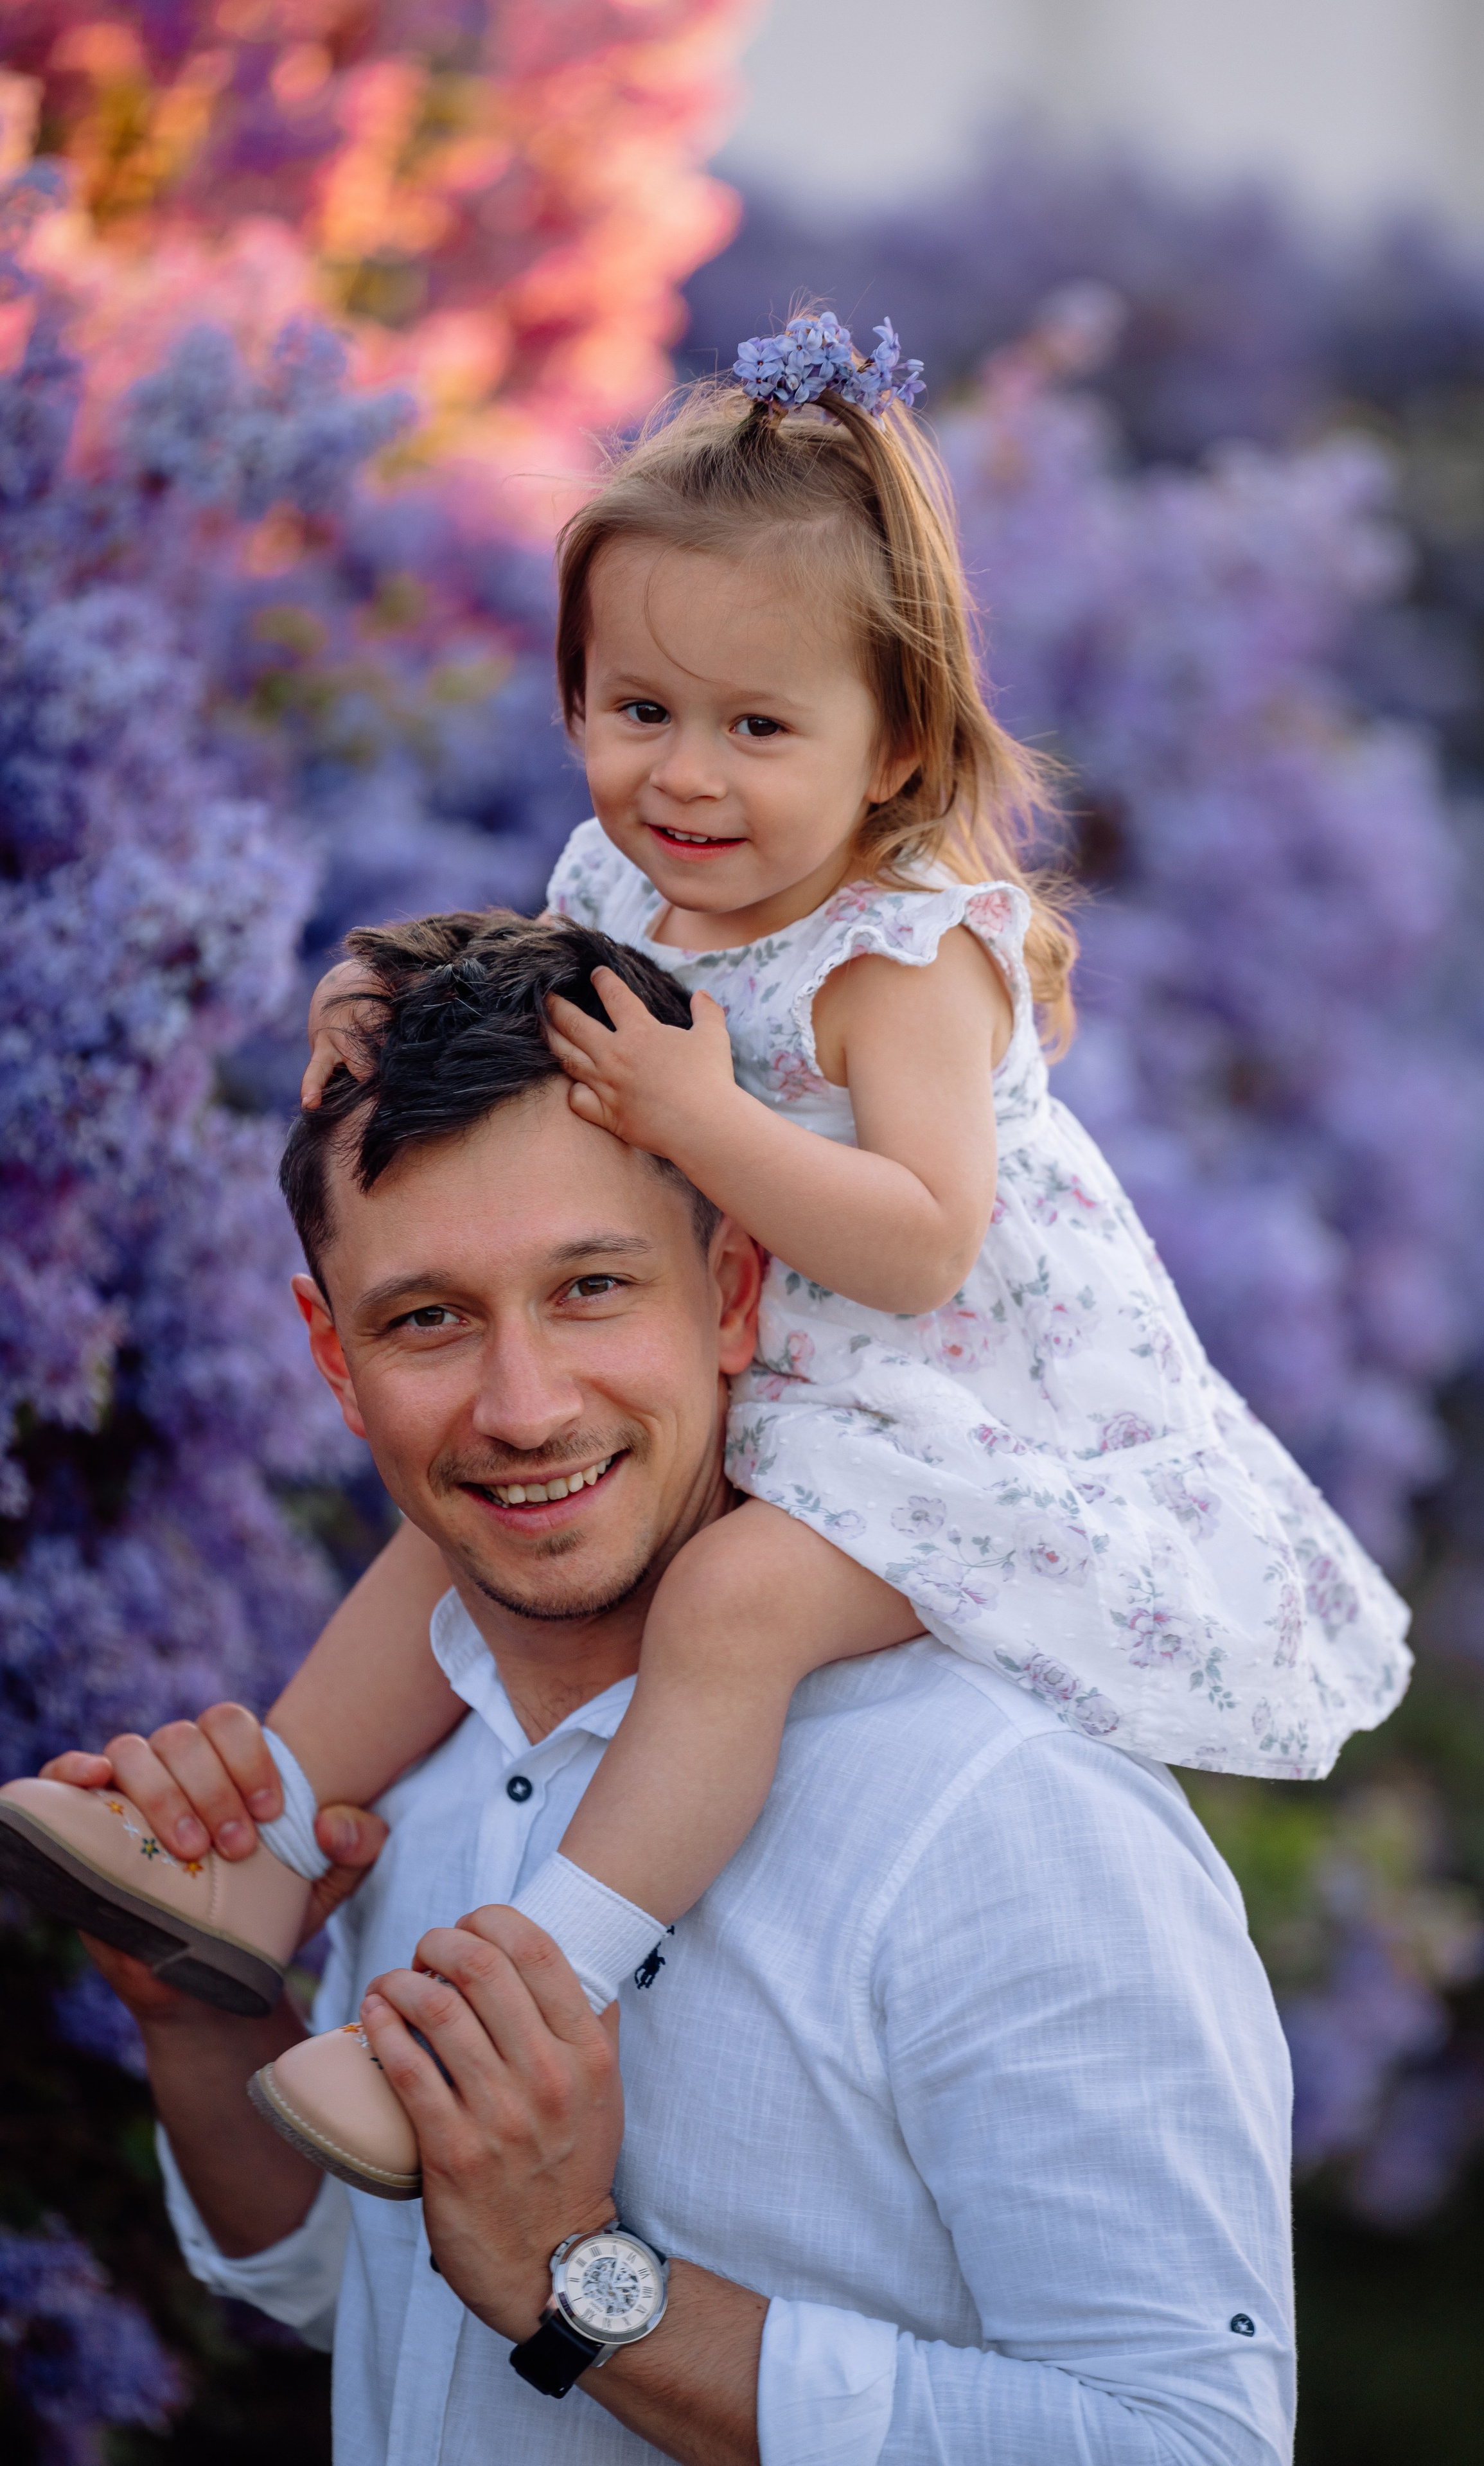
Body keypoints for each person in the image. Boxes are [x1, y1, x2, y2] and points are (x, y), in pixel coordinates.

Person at [0, 308, 1406, 2192]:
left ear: (896, 736)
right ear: (575, 695)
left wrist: (704, 1126)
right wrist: (386, 976)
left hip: (950, 1413)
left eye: (760, 726)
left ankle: (531, 1992)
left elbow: (921, 1245)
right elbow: (549, 979)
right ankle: (259, 1847)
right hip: (764, 1355)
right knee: (468, 1496)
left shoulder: (910, 949)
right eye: (637, 710)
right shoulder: (629, 878)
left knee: (730, 1606)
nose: (687, 777)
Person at [52, 910, 1298, 2462]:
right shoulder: (416, 1768)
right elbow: (345, 2290)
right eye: (428, 1318)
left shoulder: (1005, 1818)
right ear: (328, 1354)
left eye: (589, 1288)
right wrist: (203, 2034)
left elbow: (1189, 2441)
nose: (521, 1406)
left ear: (730, 1292)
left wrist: (577, 2284)